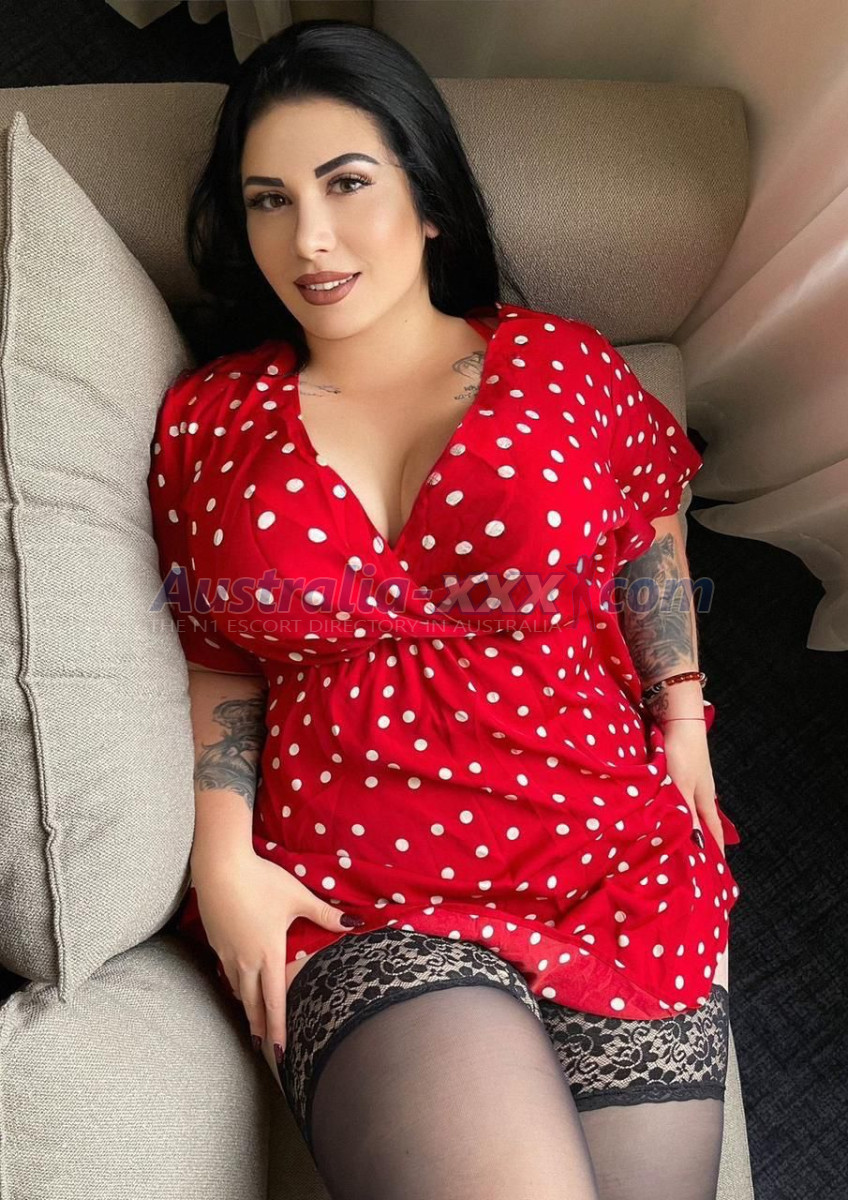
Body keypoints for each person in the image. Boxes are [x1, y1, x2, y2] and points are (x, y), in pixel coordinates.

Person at [148, 19, 742, 1200]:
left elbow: (648, 521)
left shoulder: (562, 363)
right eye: (268, 200)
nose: (308, 239)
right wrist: (222, 856)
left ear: (425, 198)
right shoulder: (210, 420)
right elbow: (217, 649)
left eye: (345, 184)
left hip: (607, 855)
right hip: (361, 889)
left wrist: (680, 716)